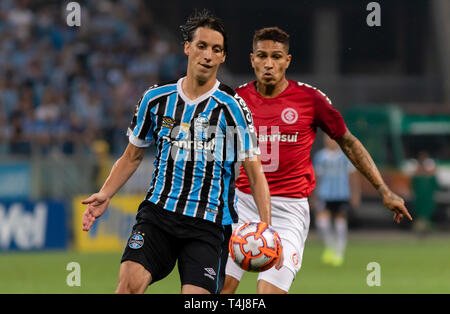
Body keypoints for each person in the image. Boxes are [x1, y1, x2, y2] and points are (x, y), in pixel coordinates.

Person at [81, 10, 272, 294]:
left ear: (223, 57)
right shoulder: (155, 99)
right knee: (128, 287)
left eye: (216, 50)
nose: (208, 55)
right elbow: (132, 156)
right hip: (158, 215)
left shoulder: (232, 107)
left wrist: (266, 228)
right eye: (202, 46)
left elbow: (255, 173)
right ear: (187, 48)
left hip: (208, 225)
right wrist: (105, 193)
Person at [222, 27, 412, 294]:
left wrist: (384, 190)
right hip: (241, 206)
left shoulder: (310, 100)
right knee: (221, 289)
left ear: (287, 61)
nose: (268, 63)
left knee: (267, 293)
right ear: (252, 59)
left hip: (288, 211)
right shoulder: (235, 100)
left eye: (276, 56)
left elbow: (349, 142)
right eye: (262, 56)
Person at [313, 134, 361, 267]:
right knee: (322, 222)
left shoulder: (345, 156)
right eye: (327, 138)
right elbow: (317, 177)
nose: (330, 141)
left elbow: (353, 176)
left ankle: (339, 254)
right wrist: (314, 195)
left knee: (340, 224)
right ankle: (329, 247)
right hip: (325, 194)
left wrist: (355, 194)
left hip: (342, 194)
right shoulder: (320, 156)